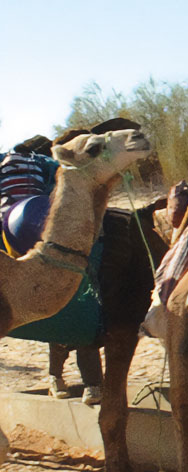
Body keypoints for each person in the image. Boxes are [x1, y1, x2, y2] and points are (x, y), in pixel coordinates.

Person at [0, 135, 104, 404]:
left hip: (17, 232)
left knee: (54, 306)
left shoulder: (6, 162)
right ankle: (90, 383)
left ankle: (58, 378)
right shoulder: (46, 166)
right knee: (75, 304)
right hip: (46, 232)